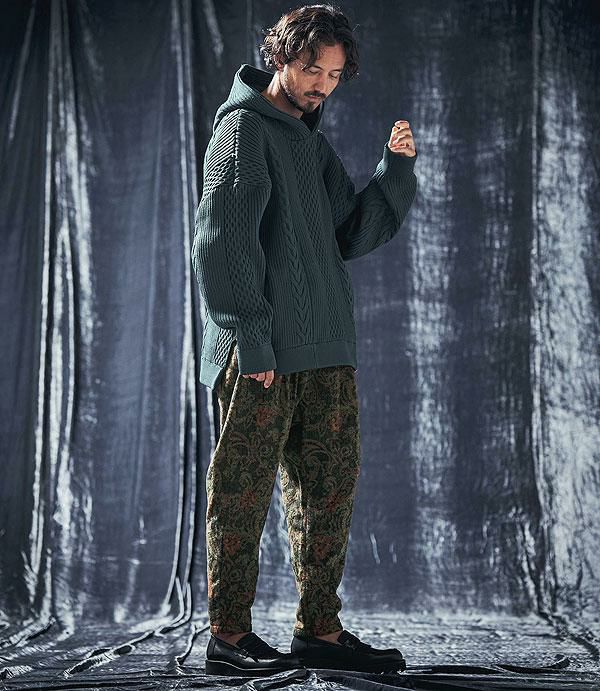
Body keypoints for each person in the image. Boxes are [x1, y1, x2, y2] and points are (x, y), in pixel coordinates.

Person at [191, 3, 418, 677]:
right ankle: (228, 636)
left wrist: (394, 170)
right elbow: (222, 244)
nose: (322, 85)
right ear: (281, 57)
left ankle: (319, 630)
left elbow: (350, 233)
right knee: (241, 494)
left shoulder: (307, 143)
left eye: (334, 75)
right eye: (312, 69)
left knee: (328, 496)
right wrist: (251, 340)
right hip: (262, 353)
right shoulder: (242, 131)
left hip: (326, 350)